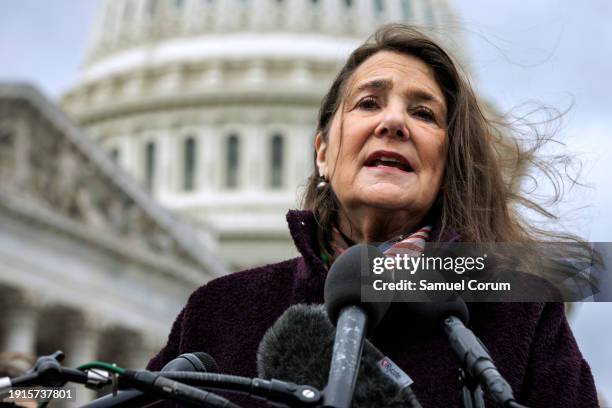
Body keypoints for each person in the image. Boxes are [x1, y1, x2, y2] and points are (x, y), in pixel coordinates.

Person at [147, 24, 598, 407]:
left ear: (447, 164)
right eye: (368, 103)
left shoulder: (519, 314)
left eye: (423, 113)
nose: (393, 123)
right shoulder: (219, 312)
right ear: (322, 154)